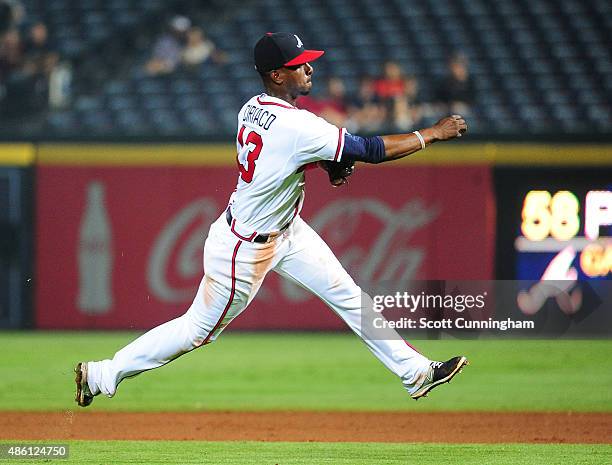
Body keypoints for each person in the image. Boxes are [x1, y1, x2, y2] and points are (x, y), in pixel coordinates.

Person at [75, 32, 469, 407]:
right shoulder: (297, 125)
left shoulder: (253, 107)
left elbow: (285, 158)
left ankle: (415, 372)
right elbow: (368, 149)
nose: (309, 69)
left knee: (349, 296)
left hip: (286, 232)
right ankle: (103, 374)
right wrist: (432, 133)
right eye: (299, 65)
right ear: (277, 75)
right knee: (194, 331)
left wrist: (330, 164)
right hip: (244, 249)